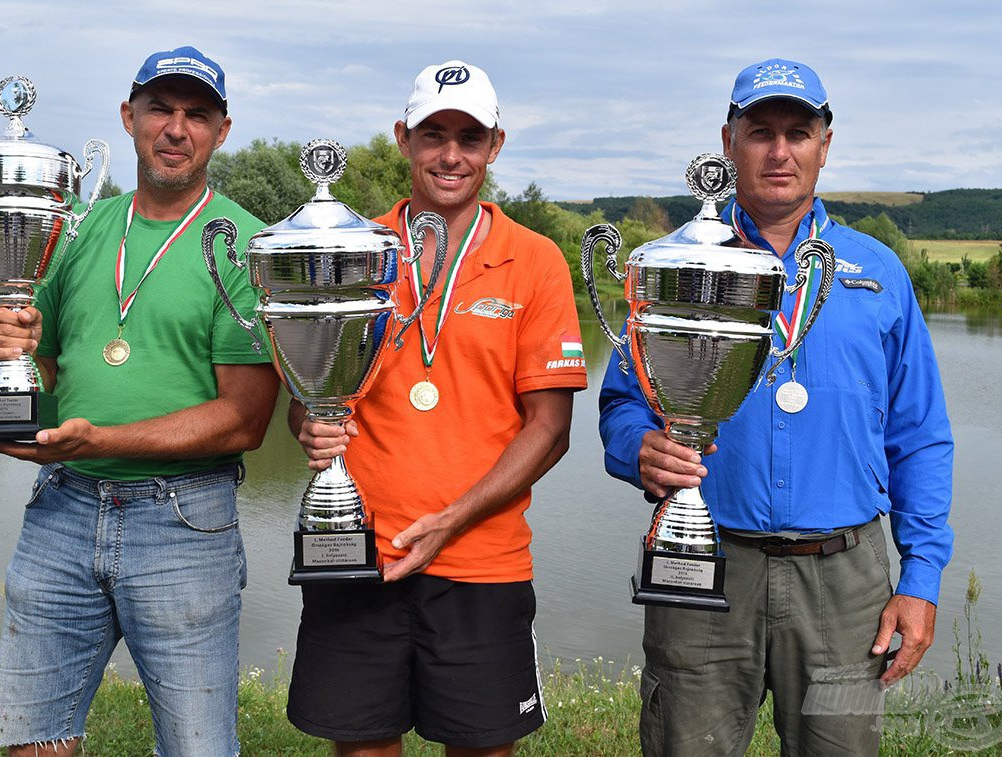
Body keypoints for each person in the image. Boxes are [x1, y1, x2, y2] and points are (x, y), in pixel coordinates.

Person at [599, 58, 954, 755]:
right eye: (761, 131)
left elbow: (919, 436)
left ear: (826, 143)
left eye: (799, 131)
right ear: (729, 141)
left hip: (844, 586)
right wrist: (635, 446)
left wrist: (922, 576)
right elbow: (623, 399)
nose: (780, 150)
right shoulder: (674, 263)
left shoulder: (878, 272)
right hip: (704, 568)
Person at [0, 46, 279, 756]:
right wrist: (5, 355)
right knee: (34, 740)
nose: (177, 129)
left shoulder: (244, 245)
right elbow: (42, 359)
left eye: (196, 114)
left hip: (183, 520)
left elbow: (246, 417)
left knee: (198, 746)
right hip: (62, 507)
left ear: (222, 131)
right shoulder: (73, 228)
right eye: (161, 110)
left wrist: (102, 438)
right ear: (128, 117)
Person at [286, 60, 588, 756]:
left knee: (482, 747)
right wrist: (311, 423)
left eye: (470, 137)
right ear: (403, 138)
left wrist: (451, 520)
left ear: (495, 145)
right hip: (357, 550)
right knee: (363, 746)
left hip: (482, 563)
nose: (451, 154)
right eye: (433, 134)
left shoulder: (536, 260)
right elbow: (306, 399)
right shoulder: (349, 250)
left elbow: (550, 429)